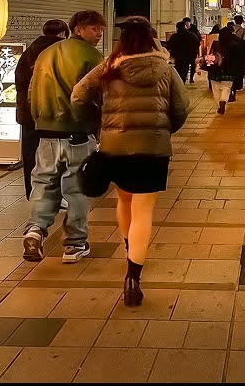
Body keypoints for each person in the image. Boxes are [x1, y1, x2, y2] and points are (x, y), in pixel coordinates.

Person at [72, 16, 187, 307]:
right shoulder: (165, 68)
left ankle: (129, 249)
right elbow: (181, 107)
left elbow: (78, 95)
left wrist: (98, 125)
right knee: (143, 210)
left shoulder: (110, 66)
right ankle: (133, 277)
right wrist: (163, 130)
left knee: (124, 201)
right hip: (153, 149)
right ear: (151, 38)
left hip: (116, 147)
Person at [23, 10, 107, 263]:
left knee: (44, 183)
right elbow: (99, 95)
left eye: (101, 29)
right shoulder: (92, 56)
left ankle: (35, 229)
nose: (99, 34)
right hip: (78, 133)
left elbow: (31, 91)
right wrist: (97, 125)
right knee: (76, 189)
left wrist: (38, 119)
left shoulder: (46, 54)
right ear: (78, 29)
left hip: (46, 133)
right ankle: (74, 244)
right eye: (94, 28)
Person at [14, 19, 70, 200]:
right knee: (56, 154)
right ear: (63, 33)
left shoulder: (29, 52)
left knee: (30, 153)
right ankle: (54, 193)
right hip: (52, 111)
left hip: (28, 112)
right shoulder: (61, 51)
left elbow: (19, 82)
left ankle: (32, 191)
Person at [207, 25, 239, 114]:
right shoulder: (234, 45)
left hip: (215, 69)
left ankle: (219, 104)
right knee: (226, 87)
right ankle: (223, 101)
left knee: (216, 88)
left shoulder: (215, 43)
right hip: (228, 70)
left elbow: (210, 54)